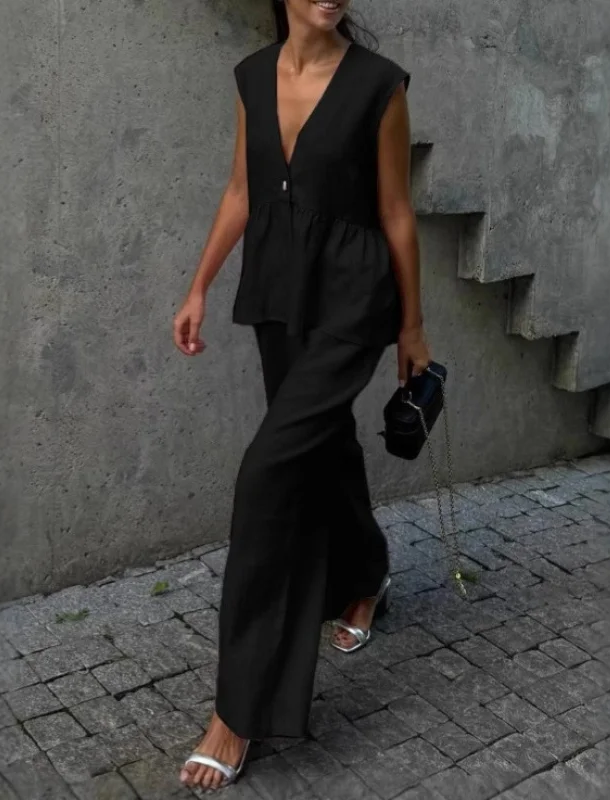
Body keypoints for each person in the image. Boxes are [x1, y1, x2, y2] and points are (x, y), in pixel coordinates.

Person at [173, 0, 429, 790]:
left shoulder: (380, 85)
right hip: (279, 294)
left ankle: (239, 710)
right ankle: (365, 574)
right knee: (323, 445)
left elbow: (395, 210)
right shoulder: (252, 77)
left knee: (268, 475)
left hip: (353, 302)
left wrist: (412, 327)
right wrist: (199, 286)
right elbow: (241, 191)